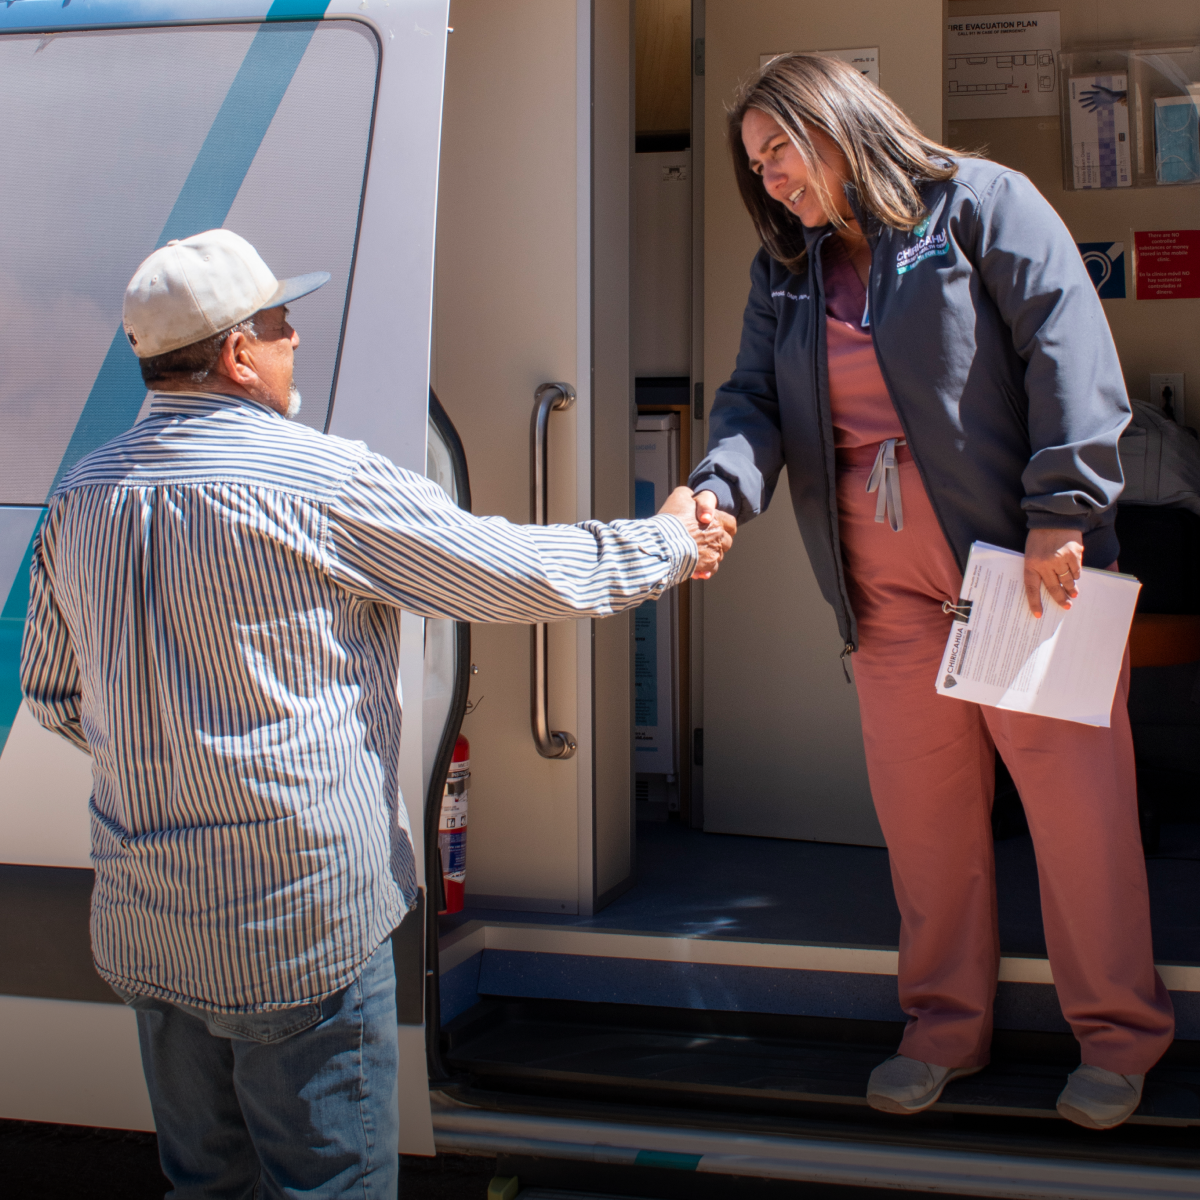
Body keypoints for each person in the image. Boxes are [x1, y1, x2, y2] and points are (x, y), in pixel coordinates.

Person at [20, 229, 732, 1198]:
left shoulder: (82, 492)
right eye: (280, 322)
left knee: (204, 1186)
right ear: (236, 352)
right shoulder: (319, 482)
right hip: (298, 924)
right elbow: (512, 573)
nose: (294, 338)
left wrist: (169, 755)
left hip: (148, 921)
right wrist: (667, 541)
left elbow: (56, 691)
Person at [689, 54, 1172, 1131]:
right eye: (754, 162)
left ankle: (1119, 1034)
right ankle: (944, 1026)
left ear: (840, 122)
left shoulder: (983, 205)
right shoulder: (791, 268)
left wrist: (1062, 512)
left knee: (1078, 809)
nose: (767, 178)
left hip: (1019, 564)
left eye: (780, 150)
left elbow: (1069, 351)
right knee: (925, 819)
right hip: (878, 578)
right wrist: (717, 489)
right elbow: (752, 396)